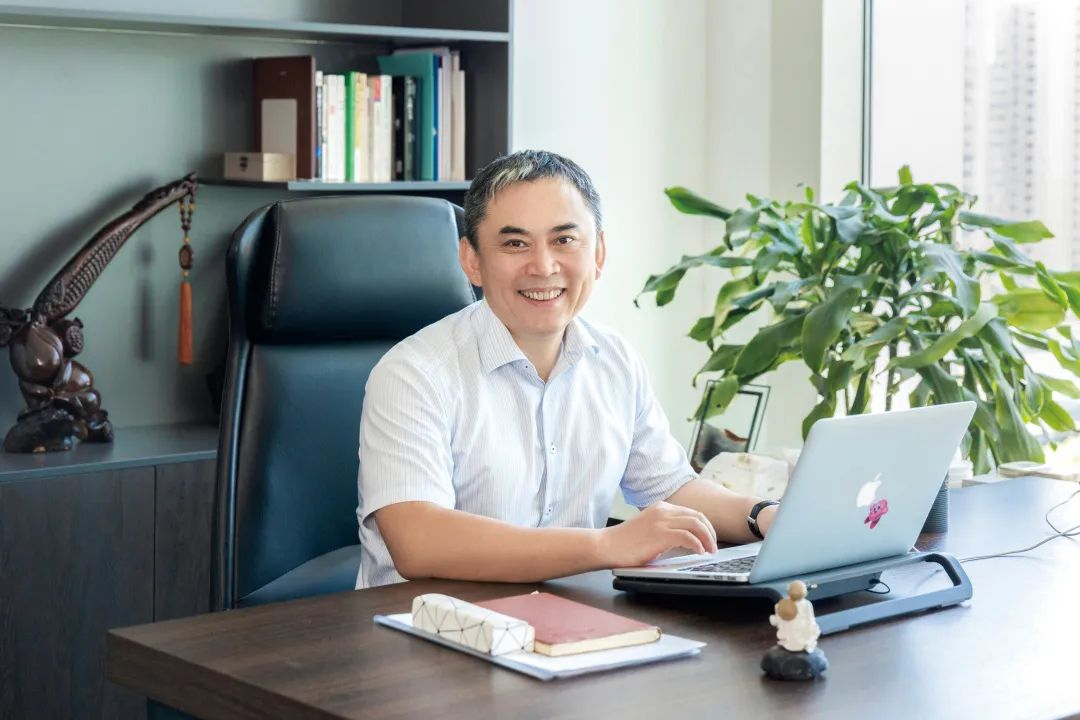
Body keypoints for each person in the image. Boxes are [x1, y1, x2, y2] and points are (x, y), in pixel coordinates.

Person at [355, 149, 778, 588]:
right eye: (515, 244)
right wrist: (607, 545)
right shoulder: (413, 373)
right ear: (472, 260)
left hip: (562, 613)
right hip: (426, 619)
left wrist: (765, 515)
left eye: (564, 240)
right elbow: (419, 540)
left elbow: (671, 487)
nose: (543, 266)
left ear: (598, 253)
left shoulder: (615, 360)